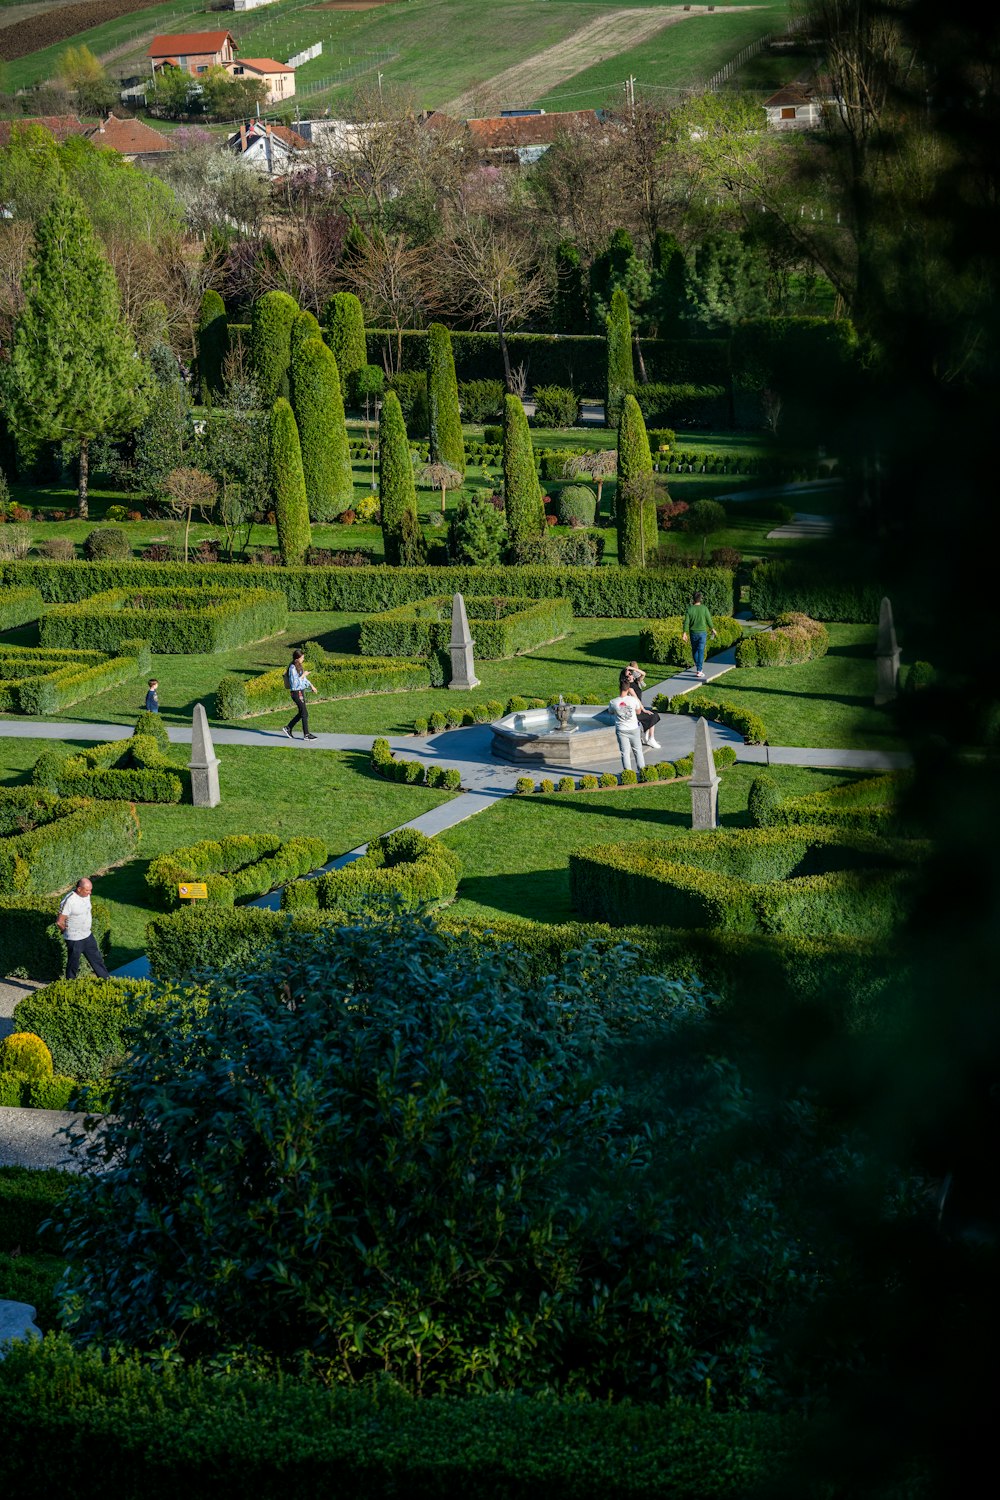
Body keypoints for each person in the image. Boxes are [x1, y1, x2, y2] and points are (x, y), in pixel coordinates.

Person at [56, 877, 110, 980]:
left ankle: (106, 980)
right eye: (87, 890)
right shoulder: (69, 900)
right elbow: (59, 921)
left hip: (87, 935)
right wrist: (66, 932)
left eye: (90, 890)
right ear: (79, 889)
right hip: (75, 939)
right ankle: (70, 984)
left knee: (97, 959)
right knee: (73, 964)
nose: (90, 893)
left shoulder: (86, 896)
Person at [619, 662, 660, 749]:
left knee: (654, 713)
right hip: (634, 711)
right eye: (628, 675)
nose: (630, 676)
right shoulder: (629, 687)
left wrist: (632, 669)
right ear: (625, 678)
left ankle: (648, 735)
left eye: (630, 674)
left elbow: (643, 674)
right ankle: (651, 738)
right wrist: (644, 709)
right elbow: (636, 699)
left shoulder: (636, 682)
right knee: (652, 716)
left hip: (639, 707)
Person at [681, 592, 718, 680]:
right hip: (702, 633)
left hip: (693, 633)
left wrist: (684, 633)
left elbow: (686, 622)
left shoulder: (689, 609)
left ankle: (698, 667)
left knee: (695, 650)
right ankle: (699, 670)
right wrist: (712, 628)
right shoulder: (704, 608)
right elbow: (708, 619)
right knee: (701, 650)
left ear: (693, 599)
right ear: (700, 599)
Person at [283, 650, 318, 740]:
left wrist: (312, 686)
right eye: (302, 657)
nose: (303, 659)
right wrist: (303, 675)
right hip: (296, 692)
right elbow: (294, 683)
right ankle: (306, 734)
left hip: (300, 691)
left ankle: (288, 728)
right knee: (304, 713)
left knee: (302, 713)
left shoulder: (299, 666)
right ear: (298, 658)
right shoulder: (292, 668)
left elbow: (304, 679)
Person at [609, 685, 645, 772]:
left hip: (621, 729)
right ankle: (642, 771)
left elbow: (610, 712)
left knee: (625, 753)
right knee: (638, 750)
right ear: (628, 689)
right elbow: (638, 711)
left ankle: (628, 773)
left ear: (619, 688)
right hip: (634, 728)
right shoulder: (633, 700)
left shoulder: (613, 702)